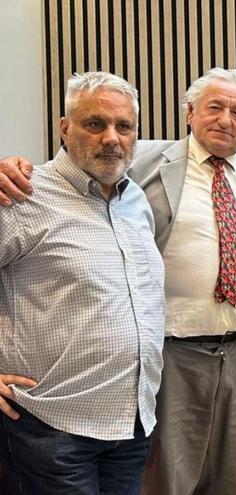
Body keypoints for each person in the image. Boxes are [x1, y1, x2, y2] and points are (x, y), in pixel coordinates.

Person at [0, 67, 236, 494]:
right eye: (214, 107)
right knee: (171, 480)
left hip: (202, 373)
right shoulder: (128, 170)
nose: (111, 138)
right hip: (91, 399)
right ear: (189, 113)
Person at [0, 71, 165, 494]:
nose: (111, 137)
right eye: (95, 123)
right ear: (64, 127)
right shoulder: (21, 196)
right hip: (50, 428)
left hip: (130, 425)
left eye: (123, 126)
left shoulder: (135, 201)